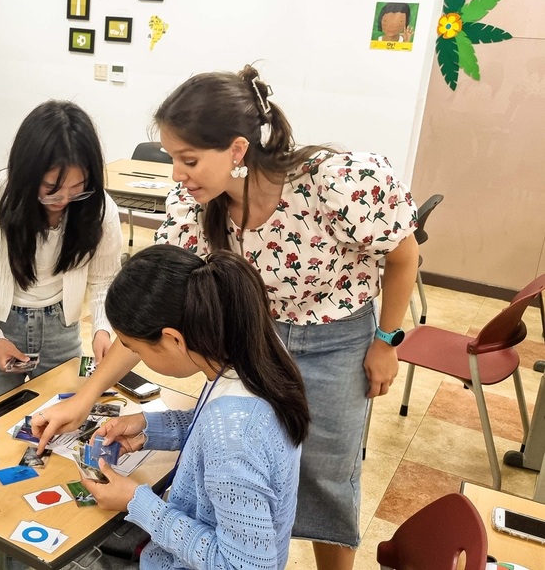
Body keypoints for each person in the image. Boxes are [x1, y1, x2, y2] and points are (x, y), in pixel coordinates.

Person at [34, 65, 419, 570]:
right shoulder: (194, 206)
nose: (176, 173)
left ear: (238, 150)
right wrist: (86, 400)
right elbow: (151, 316)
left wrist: (386, 340)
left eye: (188, 159)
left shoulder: (336, 182)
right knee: (253, 450)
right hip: (258, 334)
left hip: (337, 337)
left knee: (327, 473)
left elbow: (403, 255)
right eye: (172, 158)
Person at [77, 245, 309, 569]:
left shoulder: (232, 435)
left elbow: (247, 567)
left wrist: (137, 501)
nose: (137, 359)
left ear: (173, 339)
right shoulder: (247, 355)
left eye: (136, 349)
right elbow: (213, 430)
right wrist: (149, 428)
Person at [0, 100, 122, 407]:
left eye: (77, 188)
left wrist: (102, 330)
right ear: (27, 173)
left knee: (61, 420)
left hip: (60, 329)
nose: (64, 199)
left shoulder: (99, 209)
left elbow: (104, 281)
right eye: (51, 188)